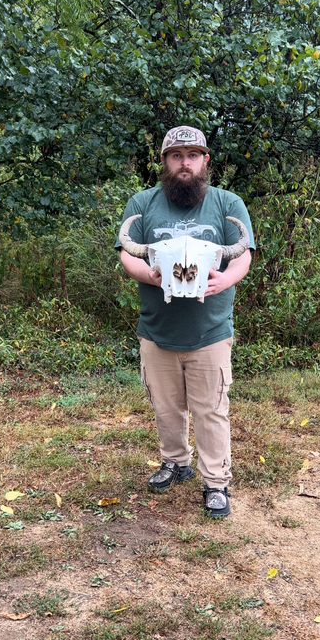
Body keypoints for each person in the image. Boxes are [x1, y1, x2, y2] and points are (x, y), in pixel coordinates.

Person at [115, 125, 255, 518]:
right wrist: (148, 275)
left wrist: (226, 278)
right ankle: (175, 462)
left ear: (205, 161)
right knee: (165, 406)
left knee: (211, 408)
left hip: (209, 331)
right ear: (164, 162)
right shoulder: (142, 203)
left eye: (193, 155)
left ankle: (216, 482)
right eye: (176, 156)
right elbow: (127, 252)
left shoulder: (228, 203)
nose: (185, 163)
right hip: (157, 331)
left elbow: (243, 253)